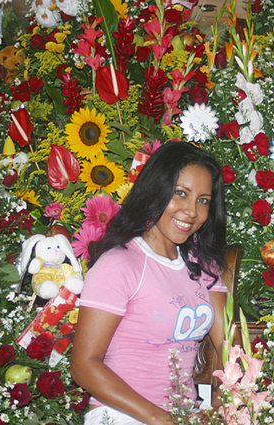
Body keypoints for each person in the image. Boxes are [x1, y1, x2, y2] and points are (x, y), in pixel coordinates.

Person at [70, 142, 235, 425]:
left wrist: (222, 402)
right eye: (180, 194)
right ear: (156, 191)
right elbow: (84, 365)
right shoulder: (120, 264)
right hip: (121, 414)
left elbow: (231, 350)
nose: (192, 211)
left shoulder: (204, 267)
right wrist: (165, 420)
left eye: (203, 200)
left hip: (186, 416)